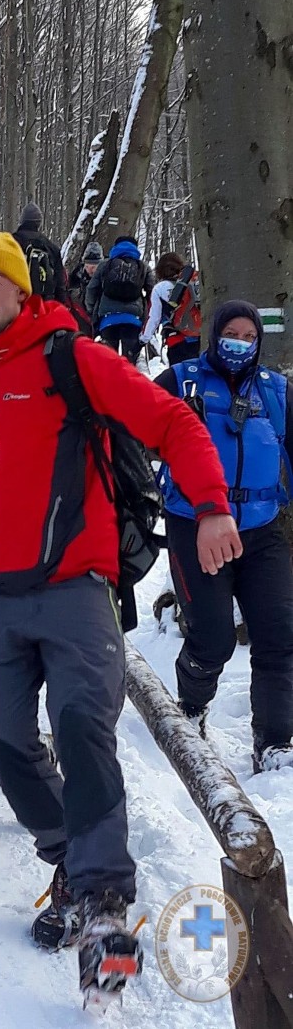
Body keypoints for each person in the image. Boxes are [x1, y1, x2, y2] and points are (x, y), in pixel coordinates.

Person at [0, 232, 235, 1006]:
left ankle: (107, 916)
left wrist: (210, 507)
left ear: (19, 292)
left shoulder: (71, 357)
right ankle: (68, 857)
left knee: (82, 728)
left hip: (76, 587)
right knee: (5, 742)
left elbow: (173, 423)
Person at [156, 300, 293, 773]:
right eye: (232, 333)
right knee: (212, 638)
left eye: (250, 336)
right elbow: (129, 434)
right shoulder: (181, 380)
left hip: (262, 528)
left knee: (279, 636)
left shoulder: (276, 391)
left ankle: (274, 742)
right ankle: (190, 711)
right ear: (215, 335)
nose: (241, 343)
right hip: (194, 524)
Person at [85, 235, 154, 364]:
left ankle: (109, 383)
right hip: (133, 319)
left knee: (109, 361)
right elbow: (152, 292)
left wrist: (91, 309)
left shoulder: (105, 265)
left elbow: (91, 289)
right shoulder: (143, 267)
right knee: (129, 362)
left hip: (108, 318)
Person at [140, 252, 201, 365]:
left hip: (177, 341)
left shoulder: (160, 288)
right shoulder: (194, 283)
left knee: (180, 377)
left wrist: (143, 339)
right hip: (200, 339)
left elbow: (153, 318)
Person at [13, 201, 69, 303]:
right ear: (39, 223)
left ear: (22, 221)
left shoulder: (12, 242)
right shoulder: (51, 247)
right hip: (44, 304)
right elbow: (60, 284)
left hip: (18, 303)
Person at [68, 240, 103, 306]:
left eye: (93, 267)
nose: (89, 270)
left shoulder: (105, 276)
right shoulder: (78, 274)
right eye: (87, 266)